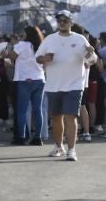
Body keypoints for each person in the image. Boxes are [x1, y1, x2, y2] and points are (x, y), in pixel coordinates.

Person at [37, 11, 95, 161]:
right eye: (59, 20)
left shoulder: (80, 39)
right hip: (53, 84)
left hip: (74, 84)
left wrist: (91, 53)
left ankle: (71, 150)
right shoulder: (50, 39)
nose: (62, 23)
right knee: (56, 118)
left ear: (71, 22)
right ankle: (58, 146)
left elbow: (91, 60)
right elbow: (38, 57)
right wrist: (44, 58)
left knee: (71, 116)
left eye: (65, 20)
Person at [3, 25, 45, 146]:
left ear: (27, 34)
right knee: (38, 110)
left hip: (24, 80)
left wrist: (6, 52)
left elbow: (11, 56)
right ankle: (38, 137)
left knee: (22, 110)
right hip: (39, 79)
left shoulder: (22, 45)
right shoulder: (41, 45)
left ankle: (21, 136)